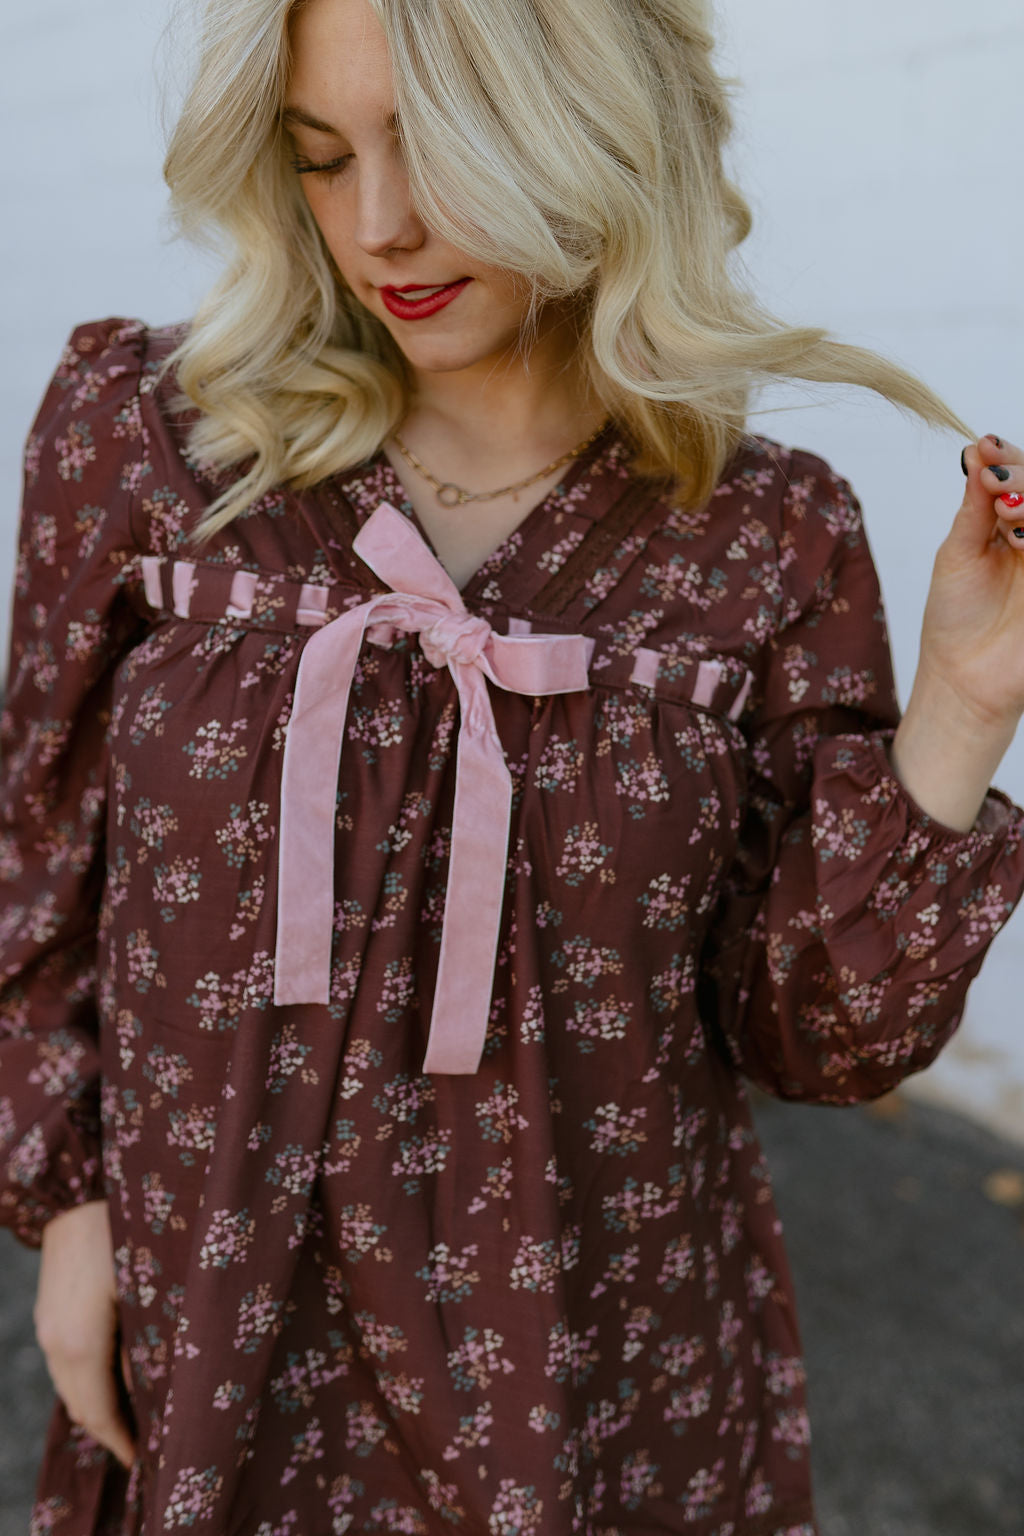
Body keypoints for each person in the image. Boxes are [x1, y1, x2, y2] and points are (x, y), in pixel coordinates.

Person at [4, 0, 1024, 1529]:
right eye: (323, 158)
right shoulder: (147, 441)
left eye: (442, 151)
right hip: (213, 1329)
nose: (381, 225)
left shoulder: (766, 535)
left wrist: (961, 698)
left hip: (597, 1376)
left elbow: (805, 1031)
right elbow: (36, 854)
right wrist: (73, 1205)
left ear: (594, 139)